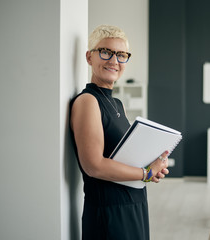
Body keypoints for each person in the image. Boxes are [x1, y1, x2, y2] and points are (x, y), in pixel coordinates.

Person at [70, 25, 169, 240]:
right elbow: (93, 165)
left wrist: (154, 164)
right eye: (106, 52)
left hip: (134, 202)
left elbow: (122, 156)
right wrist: (146, 173)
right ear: (89, 57)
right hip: (109, 211)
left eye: (121, 55)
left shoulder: (117, 104)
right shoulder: (88, 101)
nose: (114, 61)